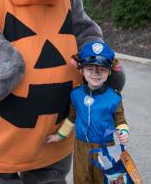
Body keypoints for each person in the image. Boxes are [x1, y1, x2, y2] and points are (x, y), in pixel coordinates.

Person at [45, 41, 129, 184]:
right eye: (90, 69)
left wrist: (124, 131)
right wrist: (59, 136)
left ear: (109, 72)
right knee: (81, 179)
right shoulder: (76, 94)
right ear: (81, 70)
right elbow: (71, 118)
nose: (95, 74)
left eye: (101, 69)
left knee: (105, 179)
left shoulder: (114, 97)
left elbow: (120, 120)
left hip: (107, 147)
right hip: (80, 147)